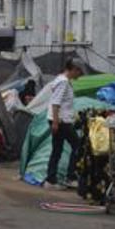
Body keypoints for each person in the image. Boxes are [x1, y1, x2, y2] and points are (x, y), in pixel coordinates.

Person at [43, 58, 86, 188]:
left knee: (57, 149)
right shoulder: (63, 82)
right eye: (80, 72)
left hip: (58, 120)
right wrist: (56, 122)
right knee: (77, 146)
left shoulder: (61, 80)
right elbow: (56, 103)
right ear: (74, 69)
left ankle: (50, 180)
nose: (80, 75)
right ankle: (70, 177)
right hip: (61, 121)